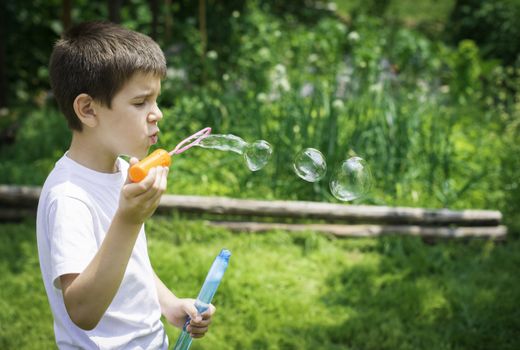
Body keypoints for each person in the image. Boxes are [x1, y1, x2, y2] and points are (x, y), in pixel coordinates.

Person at [36, 21, 214, 349]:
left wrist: (168, 304)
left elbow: (131, 264)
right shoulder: (69, 196)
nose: (156, 114)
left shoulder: (121, 170)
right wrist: (128, 220)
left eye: (156, 100)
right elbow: (83, 310)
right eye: (140, 102)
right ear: (88, 109)